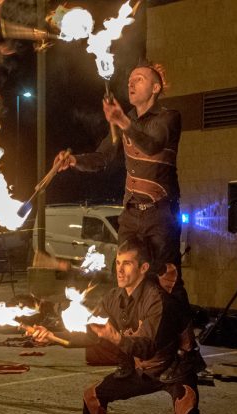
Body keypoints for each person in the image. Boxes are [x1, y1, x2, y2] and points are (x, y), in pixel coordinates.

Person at [29, 238, 237, 414]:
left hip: (173, 369)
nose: (120, 269)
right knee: (94, 395)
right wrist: (53, 337)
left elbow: (147, 346)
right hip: (142, 370)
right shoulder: (115, 298)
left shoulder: (157, 300)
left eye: (127, 263)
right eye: (118, 263)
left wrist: (117, 338)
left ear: (143, 268)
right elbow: (92, 332)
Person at [52, 60, 204, 384]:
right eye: (130, 80)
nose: (131, 84)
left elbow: (152, 143)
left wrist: (122, 121)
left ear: (156, 87)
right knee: (124, 280)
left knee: (168, 281)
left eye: (139, 79)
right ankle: (126, 355)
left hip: (160, 214)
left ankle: (189, 355)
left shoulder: (168, 118)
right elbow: (102, 158)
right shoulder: (127, 123)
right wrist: (75, 161)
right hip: (131, 215)